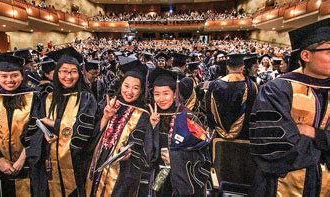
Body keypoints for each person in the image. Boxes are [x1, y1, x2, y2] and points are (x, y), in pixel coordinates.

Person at [249, 19, 330, 196]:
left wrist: (313, 133)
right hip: (281, 182)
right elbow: (272, 145)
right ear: (306, 56)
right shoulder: (276, 89)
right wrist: (325, 145)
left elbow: (296, 139)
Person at [86, 59, 154, 197]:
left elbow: (145, 149)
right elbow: (92, 136)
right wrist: (105, 117)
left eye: (135, 88)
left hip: (124, 172)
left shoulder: (144, 114)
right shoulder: (110, 104)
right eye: (126, 85)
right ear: (120, 85)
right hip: (98, 164)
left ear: (141, 90)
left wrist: (131, 153)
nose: (129, 91)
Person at [41, 47, 98, 196]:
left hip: (76, 161)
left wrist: (55, 124)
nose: (68, 76)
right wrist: (44, 134)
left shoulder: (86, 97)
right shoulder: (48, 97)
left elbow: (85, 130)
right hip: (51, 160)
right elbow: (39, 124)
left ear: (79, 74)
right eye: (63, 71)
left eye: (73, 71)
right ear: (57, 73)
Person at [149, 68, 212, 197]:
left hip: (182, 180)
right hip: (156, 178)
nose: (161, 99)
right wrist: (153, 127)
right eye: (157, 94)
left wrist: (175, 158)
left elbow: (203, 154)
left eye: (166, 93)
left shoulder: (188, 117)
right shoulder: (151, 116)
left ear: (175, 94)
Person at [0, 54, 43, 196]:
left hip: (27, 165)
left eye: (14, 75)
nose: (9, 80)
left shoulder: (34, 97)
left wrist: (22, 160)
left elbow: (37, 130)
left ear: (22, 76)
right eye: (4, 76)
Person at [206, 54, 257, 139]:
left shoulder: (214, 85)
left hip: (218, 137)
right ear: (242, 67)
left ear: (228, 67)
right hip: (244, 137)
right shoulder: (252, 86)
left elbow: (209, 111)